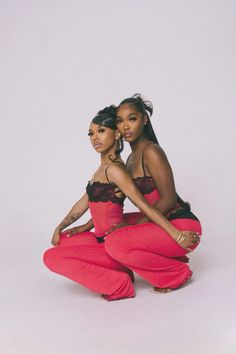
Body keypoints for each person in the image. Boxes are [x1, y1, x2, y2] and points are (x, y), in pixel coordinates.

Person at [43, 106, 199, 300]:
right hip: (111, 237)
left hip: (178, 224)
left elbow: (148, 204)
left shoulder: (125, 164)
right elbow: (97, 203)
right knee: (63, 241)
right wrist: (69, 226)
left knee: (54, 256)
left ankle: (131, 281)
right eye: (91, 133)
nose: (95, 138)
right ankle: (123, 266)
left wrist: (178, 236)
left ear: (116, 135)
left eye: (101, 131)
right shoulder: (119, 164)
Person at [104, 94, 202, 293]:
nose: (126, 126)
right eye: (120, 121)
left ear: (144, 119)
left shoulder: (151, 151)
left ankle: (176, 273)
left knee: (115, 242)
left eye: (132, 119)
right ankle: (166, 258)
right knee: (112, 227)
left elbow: (169, 198)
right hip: (161, 221)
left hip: (181, 225)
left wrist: (135, 227)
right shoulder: (131, 158)